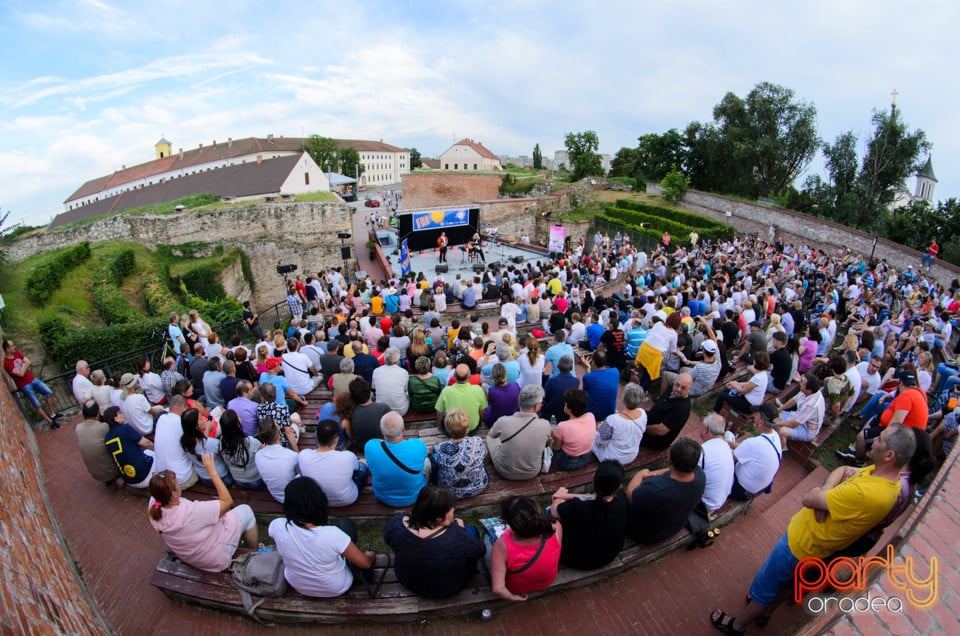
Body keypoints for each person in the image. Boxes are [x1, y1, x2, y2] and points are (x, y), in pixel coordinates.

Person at [709, 425, 916, 634]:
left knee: (764, 588)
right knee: (787, 584)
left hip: (801, 544)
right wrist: (826, 492)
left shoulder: (869, 493)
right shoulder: (884, 477)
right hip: (814, 547)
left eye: (879, 440)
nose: (873, 442)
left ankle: (737, 625)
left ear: (890, 455)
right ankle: (765, 613)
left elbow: (808, 498)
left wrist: (821, 498)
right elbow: (842, 470)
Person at [267, 476, 376, 597]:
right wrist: (370, 555)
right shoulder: (332, 534)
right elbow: (365, 564)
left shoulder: (277, 525)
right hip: (336, 587)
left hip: (298, 585)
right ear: (319, 501)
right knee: (346, 523)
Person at [147, 457, 258, 572]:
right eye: (177, 483)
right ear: (174, 494)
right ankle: (253, 551)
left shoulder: (153, 505)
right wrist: (212, 471)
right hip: (214, 559)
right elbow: (227, 502)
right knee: (246, 511)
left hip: (191, 555)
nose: (179, 482)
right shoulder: (192, 512)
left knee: (224, 514)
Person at [383, 486, 486, 598]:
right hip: (446, 589)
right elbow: (480, 551)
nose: (453, 513)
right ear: (439, 518)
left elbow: (387, 539)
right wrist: (461, 530)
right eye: (452, 511)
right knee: (471, 530)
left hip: (406, 578)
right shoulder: (457, 537)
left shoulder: (396, 523)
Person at [549, 460, 628, 570]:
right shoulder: (621, 498)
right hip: (610, 553)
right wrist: (568, 496)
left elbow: (554, 510)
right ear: (619, 487)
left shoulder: (579, 508)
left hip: (581, 561)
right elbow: (592, 497)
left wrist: (559, 497)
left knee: (551, 517)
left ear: (593, 477)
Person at [626, 437, 705, 544]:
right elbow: (670, 470)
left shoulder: (655, 489)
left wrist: (640, 474)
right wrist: (651, 474)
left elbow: (630, 495)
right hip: (674, 527)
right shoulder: (700, 476)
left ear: (669, 460)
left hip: (645, 534)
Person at [489, 496, 562, 602]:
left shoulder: (502, 545)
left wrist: (515, 597)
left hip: (516, 588)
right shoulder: (555, 527)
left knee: (488, 541)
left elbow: (498, 588)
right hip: (547, 580)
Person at [486, 384, 552, 480]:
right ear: (537, 406)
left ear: (519, 401)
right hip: (532, 472)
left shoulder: (503, 421)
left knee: (490, 437)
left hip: (504, 471)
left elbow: (492, 435)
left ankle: (488, 461)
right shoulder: (545, 425)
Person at [298, 419, 367, 507]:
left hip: (316, 499)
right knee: (362, 467)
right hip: (346, 499)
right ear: (336, 439)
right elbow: (357, 469)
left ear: (316, 437)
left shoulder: (304, 455)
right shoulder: (347, 456)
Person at [364, 412, 428, 507]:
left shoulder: (370, 446)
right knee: (427, 462)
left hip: (383, 497)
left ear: (382, 430)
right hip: (415, 495)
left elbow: (379, 442)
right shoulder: (419, 445)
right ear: (403, 429)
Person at [728, 403, 783, 500]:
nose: (753, 416)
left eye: (755, 416)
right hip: (757, 490)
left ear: (761, 423)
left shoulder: (753, 443)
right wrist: (730, 443)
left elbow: (729, 459)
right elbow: (749, 450)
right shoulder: (775, 435)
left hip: (739, 490)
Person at [3, 339, 62, 427]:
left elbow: (28, 361)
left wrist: (23, 367)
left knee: (49, 392)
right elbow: (21, 373)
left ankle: (52, 414)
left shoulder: (17, 353)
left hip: (32, 379)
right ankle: (51, 422)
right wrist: (24, 365)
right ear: (7, 349)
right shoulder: (7, 363)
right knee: (37, 405)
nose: (14, 347)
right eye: (12, 346)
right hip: (24, 385)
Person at [431, 409, 488, 499]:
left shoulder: (438, 448)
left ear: (447, 428)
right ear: (466, 429)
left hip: (449, 491)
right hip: (478, 487)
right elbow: (484, 455)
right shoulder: (478, 441)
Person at [593, 383, 647, 465]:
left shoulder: (612, 420)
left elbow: (600, 442)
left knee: (591, 434)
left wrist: (600, 428)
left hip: (611, 458)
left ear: (624, 398)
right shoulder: (643, 413)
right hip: (631, 455)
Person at [152, 396, 198, 489]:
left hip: (163, 477)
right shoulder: (182, 424)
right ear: (185, 408)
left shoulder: (161, 419)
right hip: (181, 480)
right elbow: (196, 447)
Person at [75, 399, 122, 487]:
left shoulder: (78, 428)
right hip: (112, 471)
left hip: (95, 474)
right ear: (97, 413)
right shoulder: (104, 427)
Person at [639, 372, 693, 450]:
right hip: (648, 424)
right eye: (677, 385)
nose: (678, 389)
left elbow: (660, 430)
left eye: (683, 388)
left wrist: (641, 428)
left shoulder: (681, 408)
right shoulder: (672, 389)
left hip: (655, 439)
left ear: (689, 389)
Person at [180, 407, 231, 487]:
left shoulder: (184, 441)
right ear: (196, 426)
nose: (204, 420)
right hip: (222, 477)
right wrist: (208, 430)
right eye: (200, 420)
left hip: (204, 477)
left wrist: (207, 431)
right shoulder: (211, 443)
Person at [712, 351, 770, 417]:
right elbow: (749, 384)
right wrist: (735, 383)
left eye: (755, 360)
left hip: (748, 405)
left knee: (722, 395)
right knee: (727, 390)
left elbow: (743, 391)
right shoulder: (763, 374)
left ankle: (714, 415)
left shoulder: (758, 378)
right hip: (750, 401)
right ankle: (719, 410)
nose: (753, 361)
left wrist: (734, 384)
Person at [550, 389, 596, 471]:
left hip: (569, 462)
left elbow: (556, 447)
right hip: (587, 457)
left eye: (566, 403)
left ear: (569, 409)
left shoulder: (563, 426)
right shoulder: (591, 416)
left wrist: (551, 441)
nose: (564, 404)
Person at [255, 418, 299, 503]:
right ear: (279, 436)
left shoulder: (258, 455)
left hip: (276, 496)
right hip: (293, 495)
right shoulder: (292, 455)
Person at [435, 363, 488, 434]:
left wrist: (439, 427)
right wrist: (480, 423)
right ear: (469, 376)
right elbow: (482, 411)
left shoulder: (446, 390)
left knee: (444, 411)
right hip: (472, 429)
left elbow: (439, 412)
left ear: (454, 376)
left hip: (452, 431)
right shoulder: (478, 390)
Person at [775, 373, 826, 447]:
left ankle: (781, 448)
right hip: (799, 418)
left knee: (782, 430)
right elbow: (794, 400)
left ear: (809, 389)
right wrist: (780, 409)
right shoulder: (807, 392)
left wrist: (775, 423)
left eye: (802, 382)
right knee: (776, 415)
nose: (800, 382)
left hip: (807, 430)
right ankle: (779, 441)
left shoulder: (810, 405)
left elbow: (793, 424)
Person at [698, 413, 735, 514]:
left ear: (705, 430)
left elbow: (682, 474)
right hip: (718, 501)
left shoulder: (703, 451)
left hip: (704, 504)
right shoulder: (725, 446)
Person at [218, 409, 263, 489]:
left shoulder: (221, 442)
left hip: (238, 481)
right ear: (237, 424)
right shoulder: (250, 442)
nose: (240, 418)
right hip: (256, 481)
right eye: (238, 417)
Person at [580, 349, 619, 423]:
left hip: (593, 414)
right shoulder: (615, 372)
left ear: (593, 362)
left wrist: (588, 368)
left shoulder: (588, 377)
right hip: (610, 411)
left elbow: (585, 393)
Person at [371, 347, 410, 416]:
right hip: (400, 410)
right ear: (397, 360)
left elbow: (373, 387)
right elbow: (406, 389)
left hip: (381, 410)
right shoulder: (403, 372)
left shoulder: (376, 371)